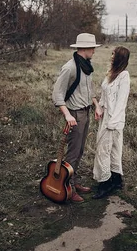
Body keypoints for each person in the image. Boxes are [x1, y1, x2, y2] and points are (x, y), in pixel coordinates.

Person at [52, 33, 102, 203]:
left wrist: (96, 105)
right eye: (93, 48)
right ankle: (68, 188)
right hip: (74, 114)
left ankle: (73, 181)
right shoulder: (70, 67)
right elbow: (57, 94)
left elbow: (89, 88)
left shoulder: (86, 65)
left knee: (80, 150)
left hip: (86, 112)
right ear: (85, 48)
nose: (94, 51)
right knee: (73, 153)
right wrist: (67, 115)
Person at [92, 46, 130, 199]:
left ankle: (105, 184)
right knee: (113, 149)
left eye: (114, 53)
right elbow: (104, 93)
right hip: (106, 115)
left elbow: (121, 102)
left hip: (115, 119)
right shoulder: (111, 73)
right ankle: (116, 180)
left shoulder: (124, 76)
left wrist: (112, 123)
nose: (111, 55)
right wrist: (99, 108)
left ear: (120, 57)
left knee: (103, 150)